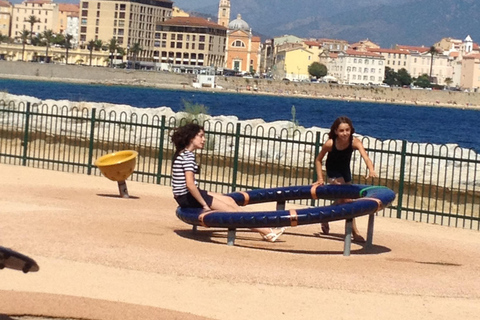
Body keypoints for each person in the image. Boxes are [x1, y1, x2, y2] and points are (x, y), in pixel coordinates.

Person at [171, 122, 285, 242]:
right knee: (232, 211)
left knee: (229, 200)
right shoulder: (188, 156)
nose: (204, 139)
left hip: (184, 196)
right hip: (188, 197)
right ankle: (268, 232)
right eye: (201, 136)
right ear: (191, 138)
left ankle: (264, 229)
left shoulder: (182, 153)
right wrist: (204, 204)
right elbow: (190, 184)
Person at [314, 116, 377, 242]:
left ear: (351, 130)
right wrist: (320, 178)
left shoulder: (355, 142)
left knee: (342, 199)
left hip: (345, 170)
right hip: (333, 171)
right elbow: (318, 160)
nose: (345, 133)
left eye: (347, 130)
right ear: (336, 131)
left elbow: (365, 157)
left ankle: (325, 216)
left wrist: (371, 169)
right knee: (347, 200)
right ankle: (355, 232)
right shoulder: (330, 143)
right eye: (342, 131)